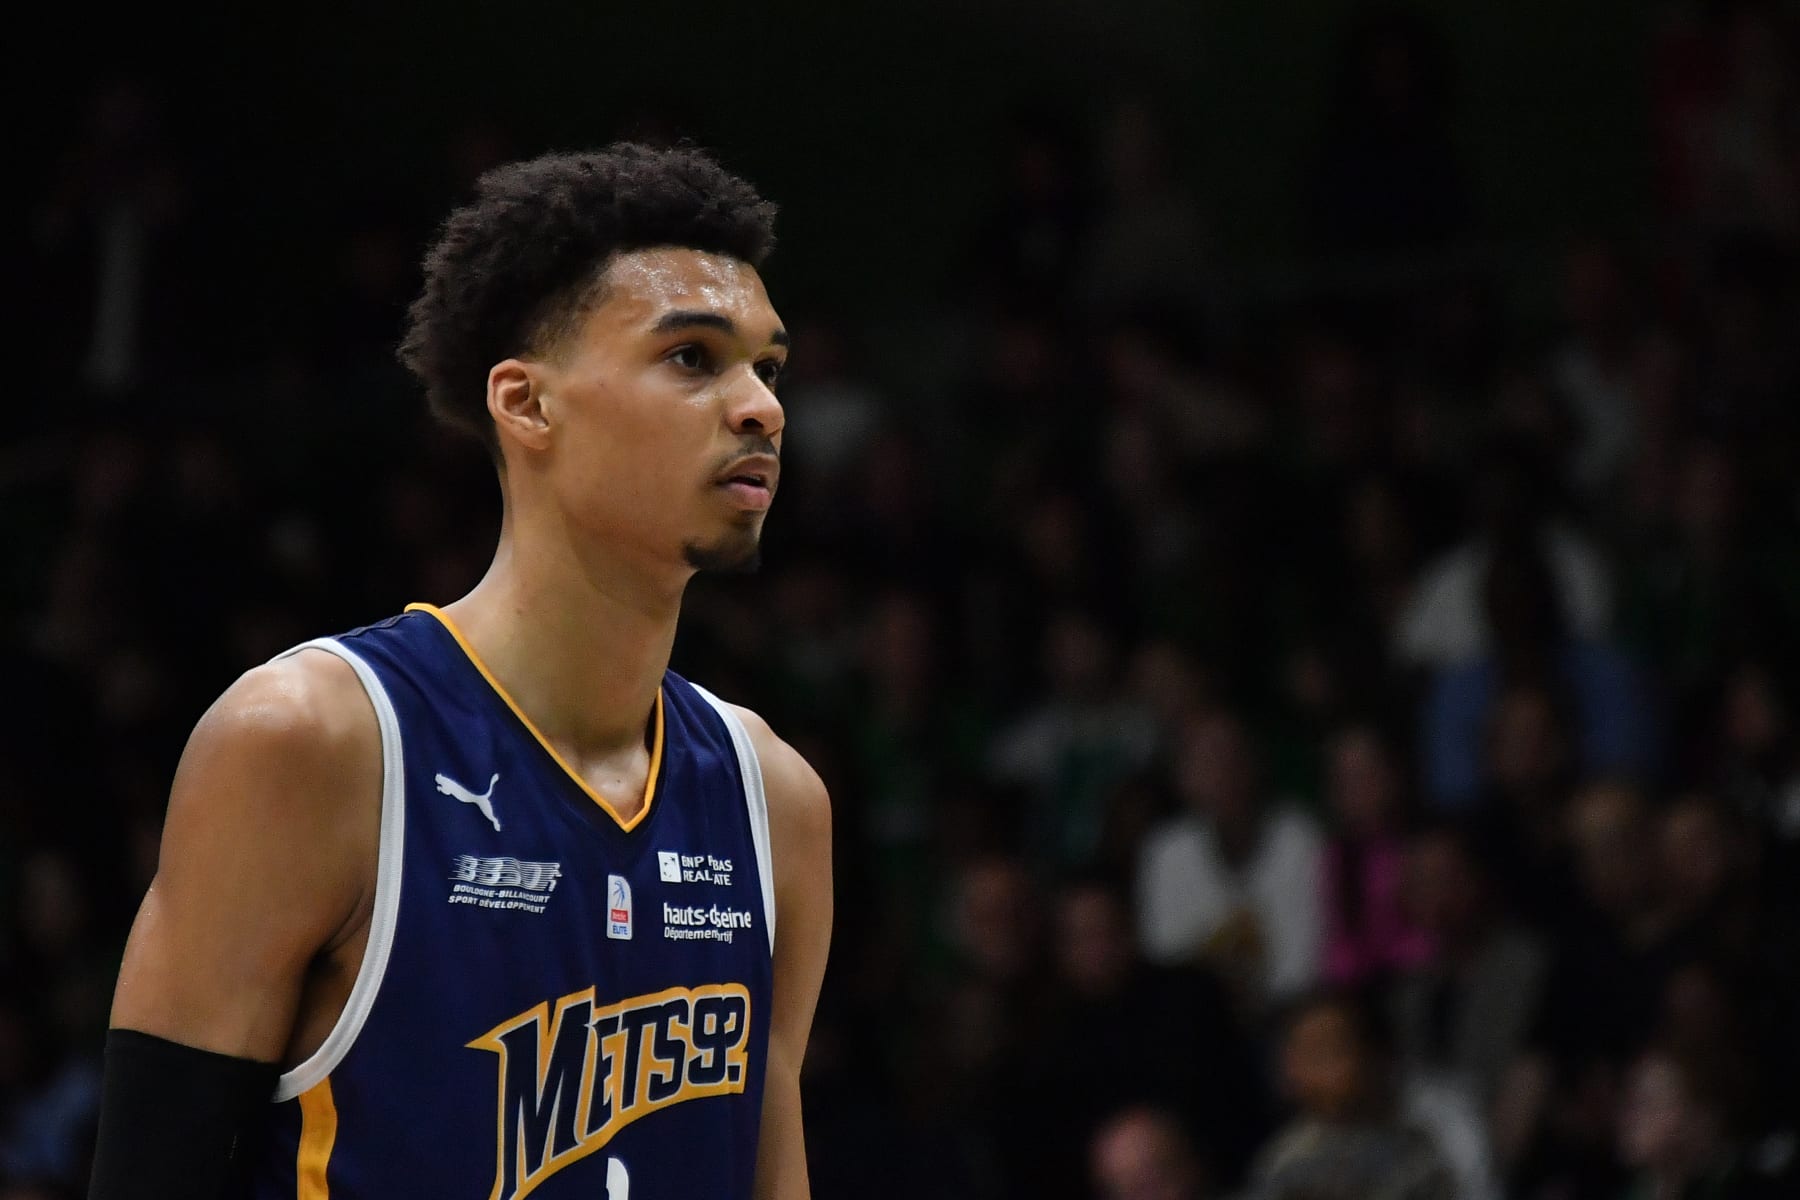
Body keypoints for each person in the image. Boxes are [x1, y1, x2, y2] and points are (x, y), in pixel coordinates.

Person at [86, 143, 834, 1200]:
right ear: (526, 405)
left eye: (769, 365)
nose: (761, 405)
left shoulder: (777, 802)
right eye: (693, 358)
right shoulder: (314, 741)